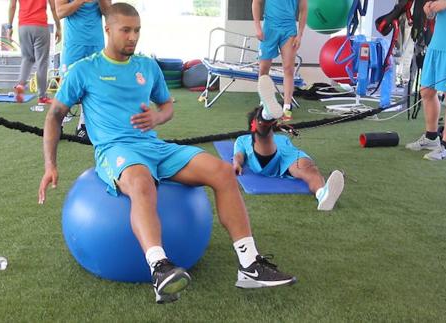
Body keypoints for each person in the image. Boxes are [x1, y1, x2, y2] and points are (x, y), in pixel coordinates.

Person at [38, 3, 296, 304]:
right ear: (107, 30)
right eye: (125, 30)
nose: (132, 37)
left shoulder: (147, 66)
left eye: (137, 31)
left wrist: (157, 118)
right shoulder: (85, 70)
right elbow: (54, 116)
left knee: (223, 171)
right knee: (141, 181)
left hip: (155, 147)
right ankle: (160, 268)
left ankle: (250, 265)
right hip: (116, 150)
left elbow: (167, 106)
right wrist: (50, 165)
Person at [232, 107, 344, 211]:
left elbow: (290, 151)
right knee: (263, 137)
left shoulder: (282, 138)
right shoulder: (243, 139)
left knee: (309, 169)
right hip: (264, 154)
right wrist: (236, 163)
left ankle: (322, 194)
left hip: (289, 156)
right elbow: (239, 155)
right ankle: (264, 116)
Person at [405, 0, 446, 160]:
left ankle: (445, 147)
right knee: (426, 91)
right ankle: (431, 137)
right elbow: (437, 13)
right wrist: (430, 11)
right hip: (436, 45)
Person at [55, 0, 112, 137]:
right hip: (74, 43)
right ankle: (58, 125)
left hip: (95, 42)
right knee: (66, 84)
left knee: (93, 85)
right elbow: (60, 12)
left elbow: (109, 13)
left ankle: (83, 126)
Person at [252, 0, 307, 122]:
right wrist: (258, 28)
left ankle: (287, 106)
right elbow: (256, 2)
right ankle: (265, 102)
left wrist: (300, 35)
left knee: (288, 69)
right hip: (269, 28)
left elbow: (303, 9)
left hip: (289, 29)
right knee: (263, 68)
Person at [7, 0, 62, 105]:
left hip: (23, 26)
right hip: (40, 25)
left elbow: (12, 6)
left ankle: (21, 84)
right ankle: (42, 97)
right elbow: (53, 7)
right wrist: (58, 27)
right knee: (41, 62)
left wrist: (9, 27)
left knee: (27, 58)